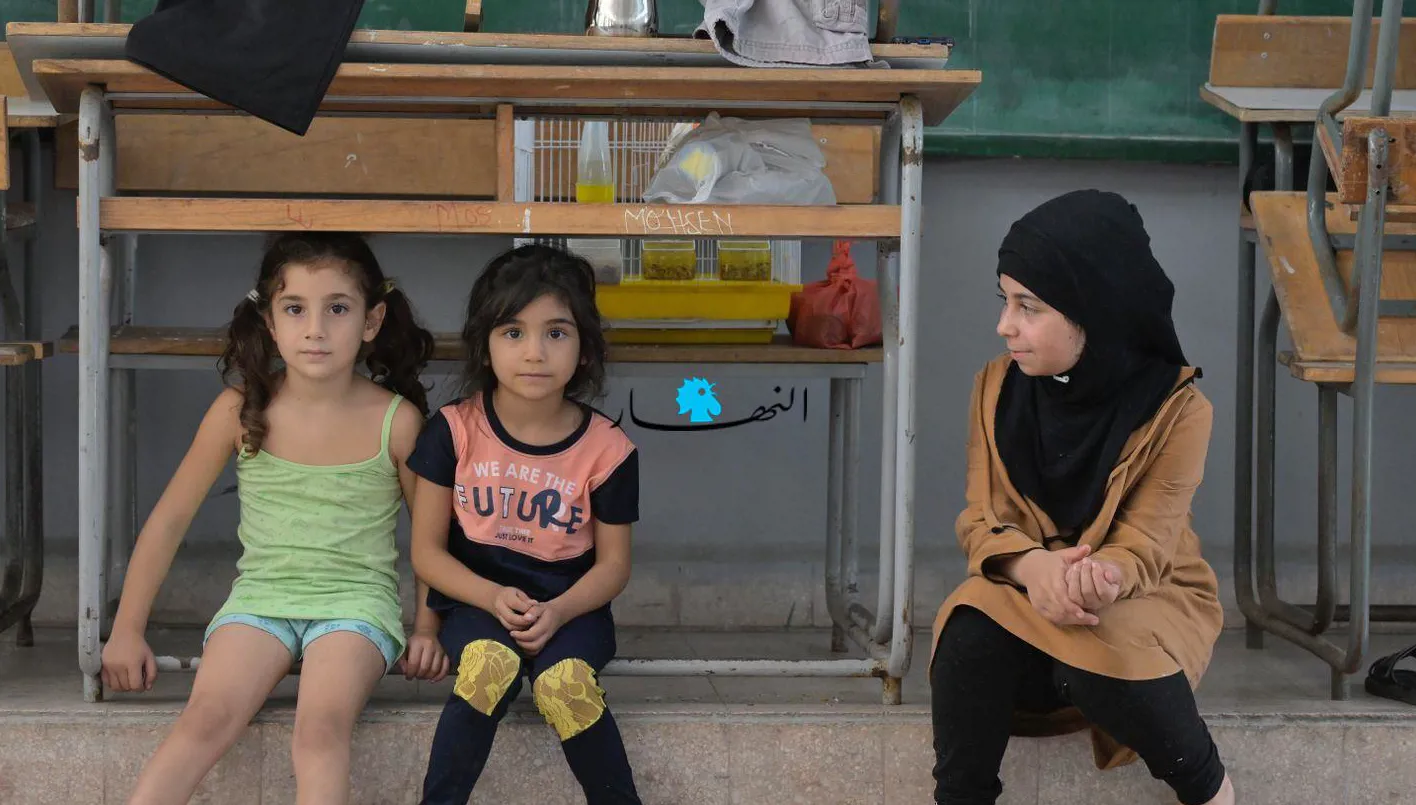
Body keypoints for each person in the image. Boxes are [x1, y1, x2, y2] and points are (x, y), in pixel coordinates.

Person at [100, 232, 450, 805]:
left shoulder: (398, 421)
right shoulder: (239, 411)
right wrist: (126, 629)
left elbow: (431, 540)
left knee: (319, 731)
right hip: (260, 600)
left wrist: (427, 629)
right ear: (269, 321)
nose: (315, 329)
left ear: (371, 320)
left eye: (337, 309)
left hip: (355, 608)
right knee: (205, 718)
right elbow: (168, 522)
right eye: (294, 309)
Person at [930, 190, 1234, 805]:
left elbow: (1147, 542)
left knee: (1098, 646)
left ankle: (1211, 791)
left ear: (1092, 309)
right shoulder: (996, 388)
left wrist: (1097, 578)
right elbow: (981, 518)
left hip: (1141, 595)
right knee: (969, 624)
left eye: (1028, 307)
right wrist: (1032, 567)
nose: (1005, 325)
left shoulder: (1178, 408)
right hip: (1025, 594)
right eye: (1004, 301)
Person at [409, 244, 642, 804]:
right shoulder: (453, 431)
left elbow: (614, 566)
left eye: (556, 333)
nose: (534, 352)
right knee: (489, 667)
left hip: (572, 610)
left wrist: (559, 610)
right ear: (485, 346)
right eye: (513, 332)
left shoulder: (608, 449)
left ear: (584, 349)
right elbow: (426, 553)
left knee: (564, 685)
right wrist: (489, 599)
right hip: (477, 604)